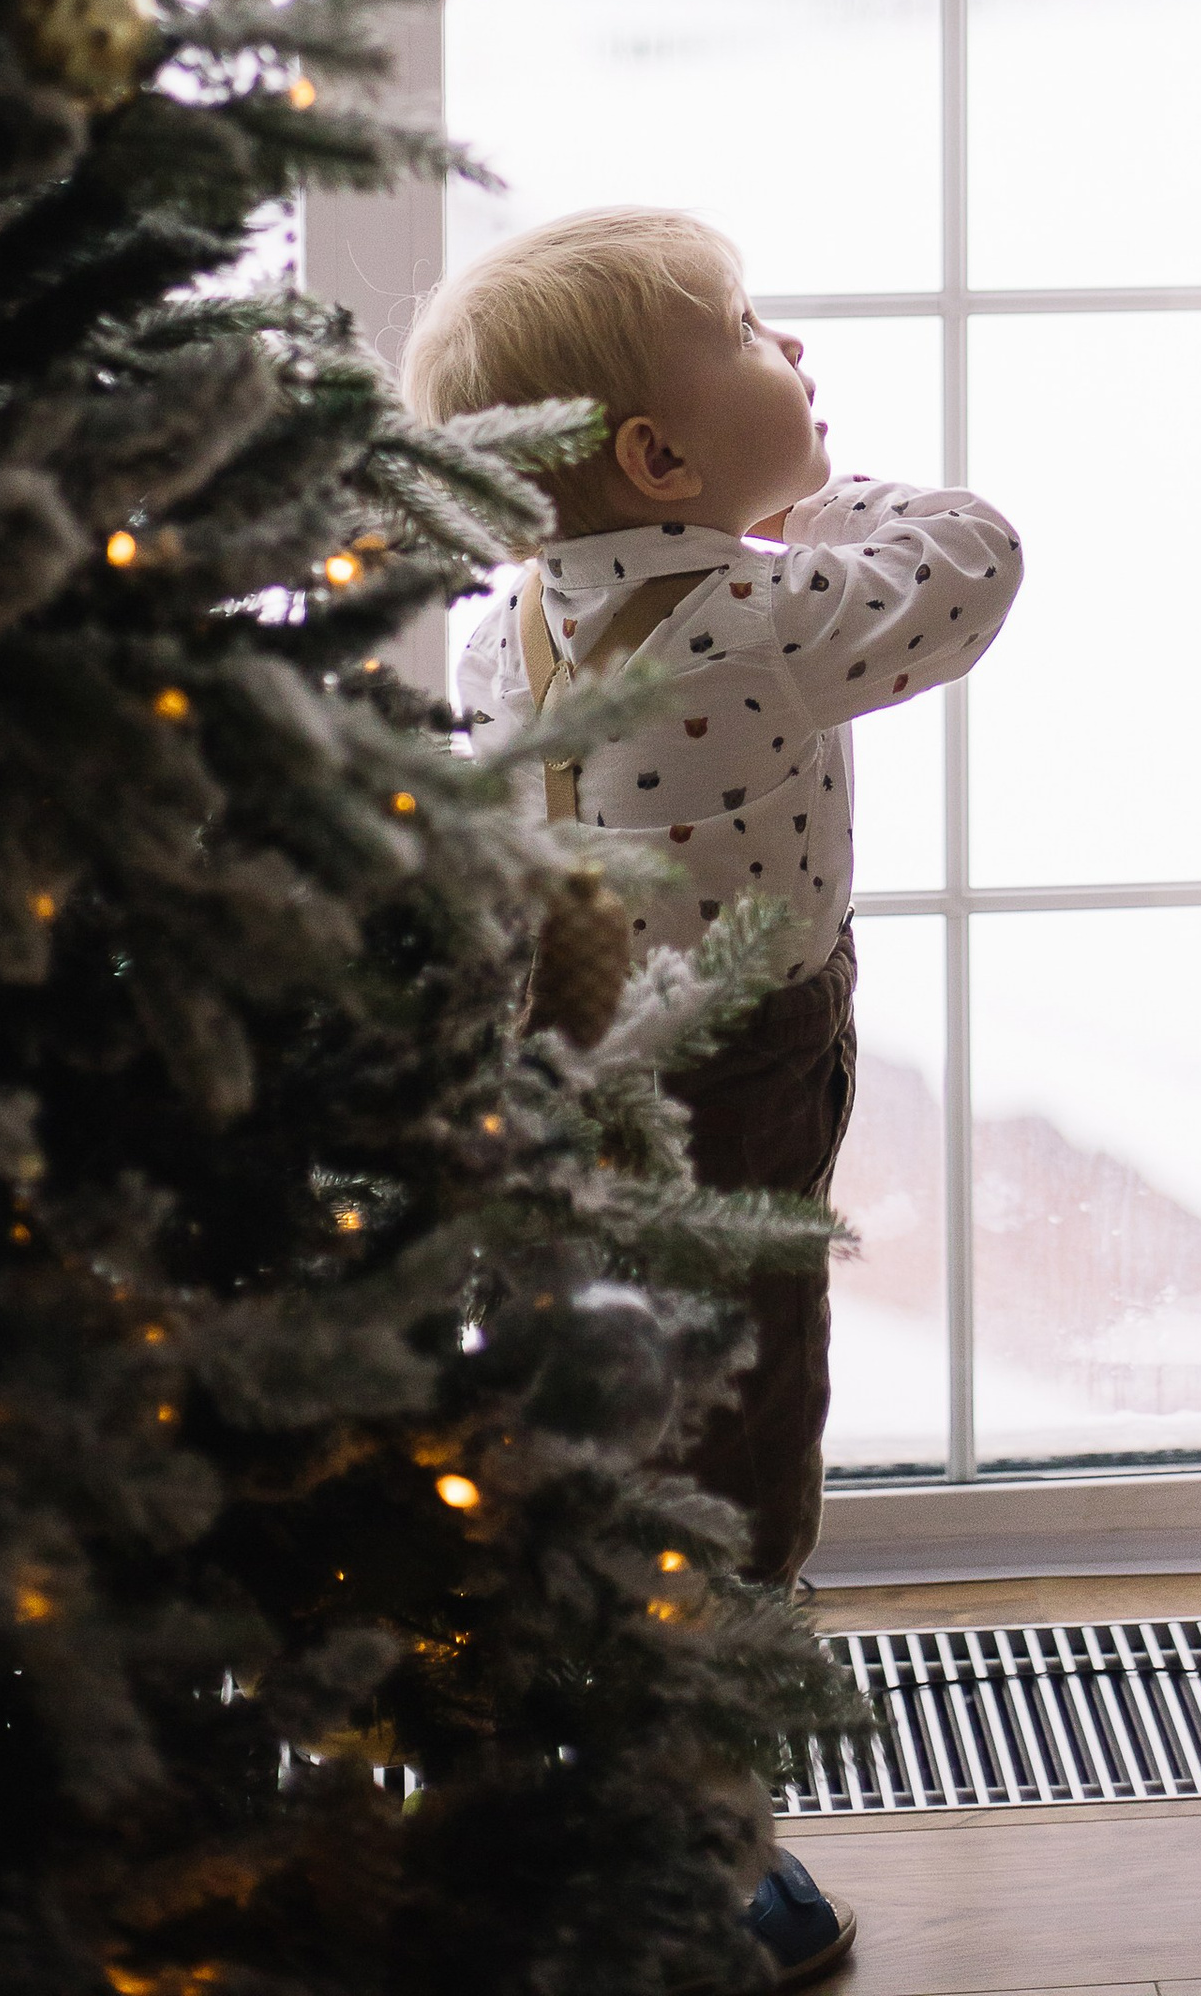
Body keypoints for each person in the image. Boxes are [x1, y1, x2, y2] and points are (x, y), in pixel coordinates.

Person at [403, 204, 1024, 1991]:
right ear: (662, 456)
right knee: (738, 1445)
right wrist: (818, 507)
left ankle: (551, 1796)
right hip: (733, 1088)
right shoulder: (764, 611)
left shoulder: (499, 617)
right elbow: (972, 564)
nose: (797, 352)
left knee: (575, 1435)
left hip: (551, 1080)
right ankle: (702, 1852)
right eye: (755, 331)